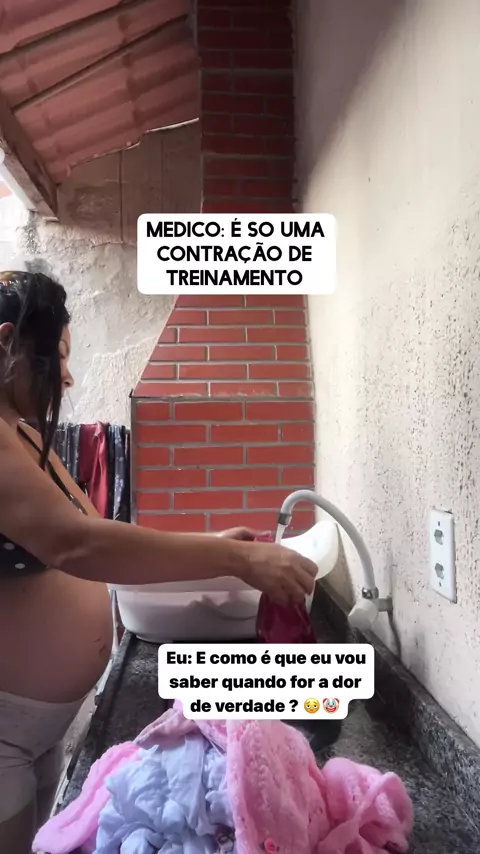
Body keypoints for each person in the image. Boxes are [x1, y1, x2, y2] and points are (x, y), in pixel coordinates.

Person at [0, 271, 317, 852]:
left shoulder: (19, 434)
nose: (67, 376)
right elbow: (76, 546)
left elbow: (94, 531)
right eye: (57, 356)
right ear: (5, 343)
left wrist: (214, 545)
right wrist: (233, 559)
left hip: (37, 728)